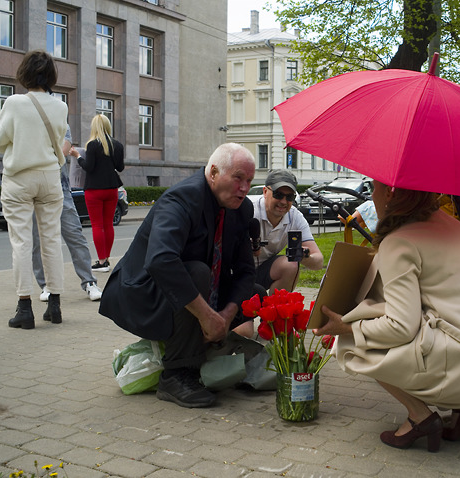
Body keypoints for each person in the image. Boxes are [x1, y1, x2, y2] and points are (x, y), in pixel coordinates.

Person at [314, 181, 460, 452]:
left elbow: (400, 328)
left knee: (351, 344)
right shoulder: (448, 222)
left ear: (391, 193)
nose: (372, 195)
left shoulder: (400, 240)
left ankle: (421, 418)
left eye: (375, 188)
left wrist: (346, 327)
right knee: (390, 318)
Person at [99, 143, 256, 408]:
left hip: (197, 292)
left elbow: (245, 271)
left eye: (250, 181)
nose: (244, 188)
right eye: (238, 178)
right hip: (144, 293)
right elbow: (161, 261)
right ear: (214, 172)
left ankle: (201, 348)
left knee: (256, 292)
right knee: (196, 271)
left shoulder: (241, 210)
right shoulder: (182, 199)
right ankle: (176, 374)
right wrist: (207, 316)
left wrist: (226, 317)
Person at [0, 50, 68, 329]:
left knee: (22, 242)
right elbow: (58, 140)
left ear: (24, 73)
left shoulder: (13, 102)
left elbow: (0, 141)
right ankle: (55, 305)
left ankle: (25, 308)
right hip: (49, 176)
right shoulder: (60, 106)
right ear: (51, 76)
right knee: (51, 240)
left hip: (19, 177)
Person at [33, 125, 102, 302]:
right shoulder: (25, 115)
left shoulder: (58, 118)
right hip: (32, 188)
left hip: (59, 188)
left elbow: (64, 149)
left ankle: (89, 282)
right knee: (37, 240)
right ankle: (46, 285)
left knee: (74, 234)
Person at [252, 170, 324, 294]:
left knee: (290, 265)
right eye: (278, 195)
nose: (284, 202)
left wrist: (304, 256)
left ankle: (275, 310)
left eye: (290, 197)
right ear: (265, 192)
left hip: (264, 270)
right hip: (237, 272)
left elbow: (318, 262)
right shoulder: (251, 211)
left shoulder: (295, 217)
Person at [77, 114, 124, 273]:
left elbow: (88, 167)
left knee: (97, 225)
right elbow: (120, 167)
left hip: (94, 190)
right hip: (112, 189)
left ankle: (102, 261)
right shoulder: (117, 145)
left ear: (94, 127)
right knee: (108, 224)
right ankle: (107, 259)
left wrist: (77, 157)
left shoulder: (92, 145)